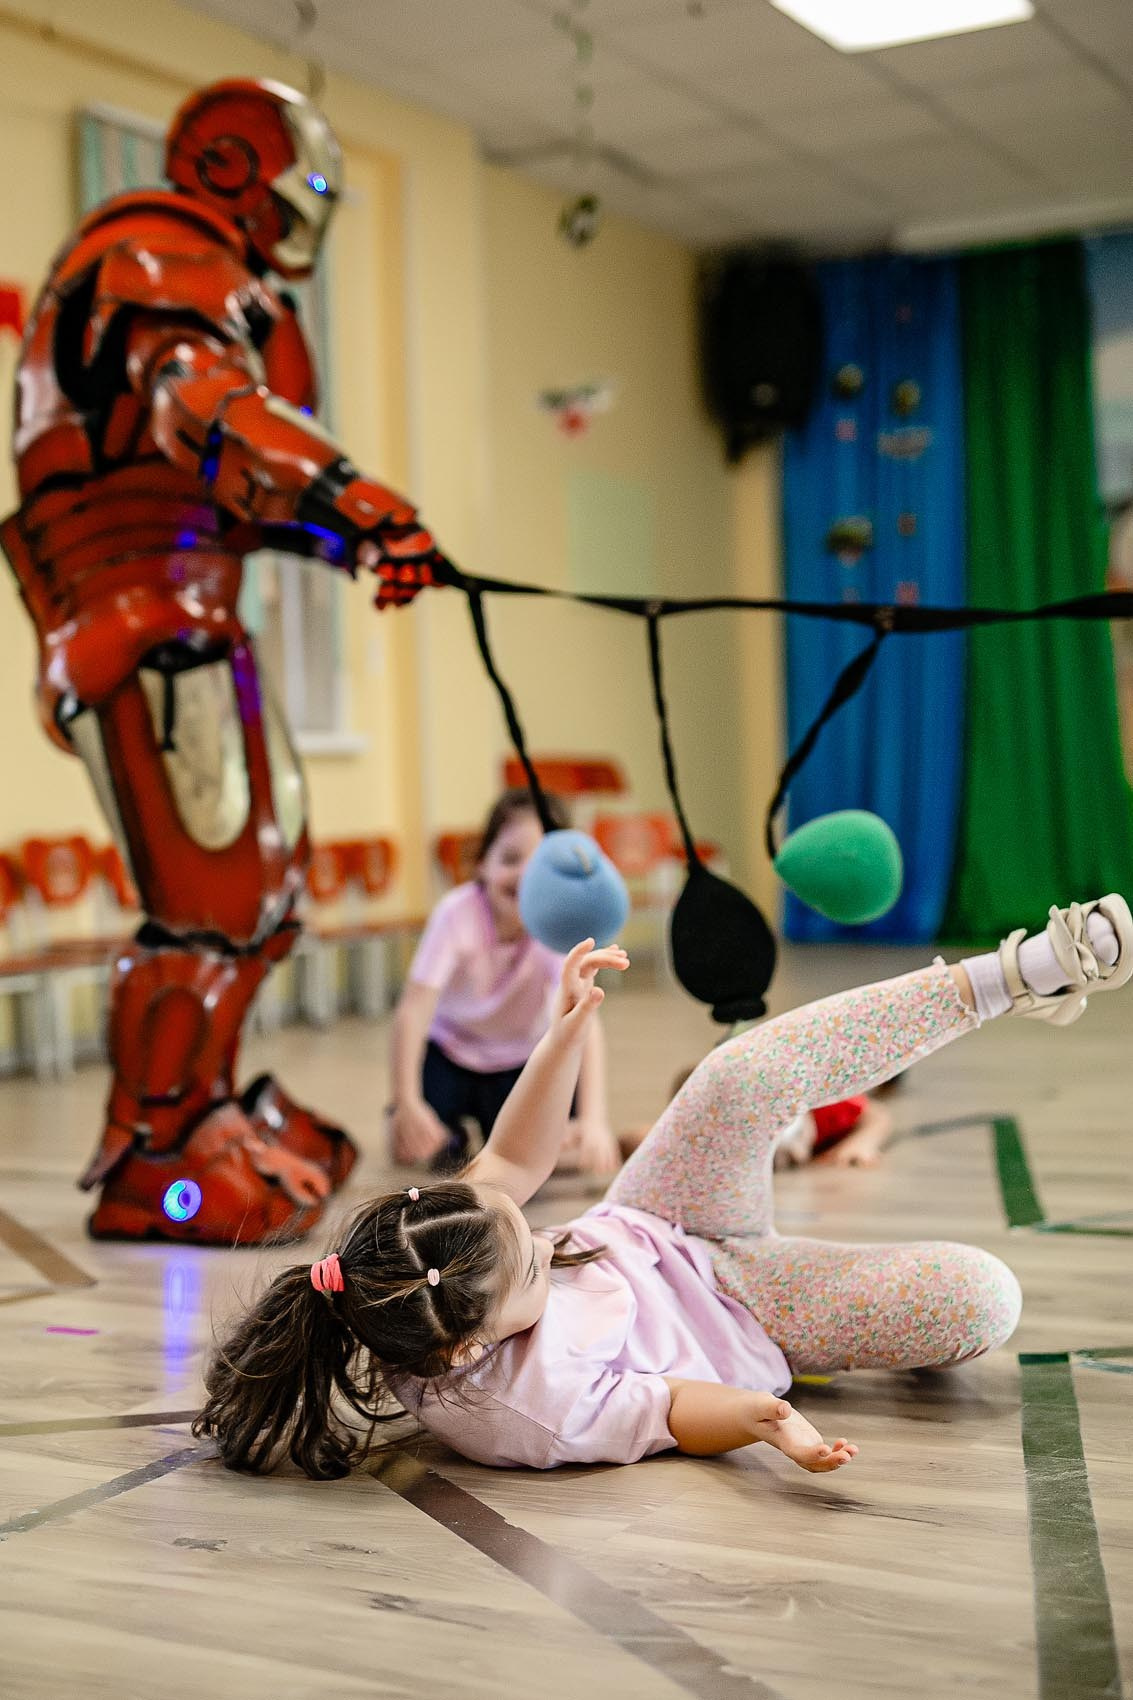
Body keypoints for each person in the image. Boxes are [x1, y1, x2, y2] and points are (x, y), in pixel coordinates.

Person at [195, 894, 1131, 1481]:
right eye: (535, 1268)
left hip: (661, 1213)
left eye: (525, 1231)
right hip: (751, 1314)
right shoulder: (531, 1414)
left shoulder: (421, 1252)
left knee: (736, 1075)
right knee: (980, 1297)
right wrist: (765, 1423)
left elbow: (512, 1158)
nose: (545, 1244)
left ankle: (1014, 976)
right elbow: (673, 1408)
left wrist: (564, 1030)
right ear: (464, 1351)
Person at [388, 790, 622, 1176]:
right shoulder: (456, 914)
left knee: (553, 1146)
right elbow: (413, 1010)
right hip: (451, 1054)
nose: (525, 875)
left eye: (541, 864)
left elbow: (585, 1022)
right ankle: (437, 1129)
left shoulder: (555, 926)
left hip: (519, 1062)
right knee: (419, 1148)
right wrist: (406, 1102)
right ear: (482, 863)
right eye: (511, 859)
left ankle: (571, 1136)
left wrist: (594, 1118)